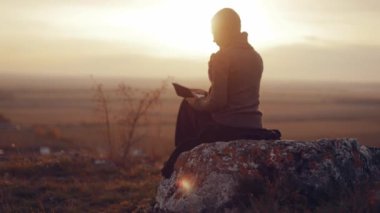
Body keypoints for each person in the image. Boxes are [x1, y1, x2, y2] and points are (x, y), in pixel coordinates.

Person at [161, 8, 281, 178]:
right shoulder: (255, 56)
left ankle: (185, 156)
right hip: (253, 125)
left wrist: (195, 101)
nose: (213, 39)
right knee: (196, 99)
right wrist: (204, 95)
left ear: (225, 31)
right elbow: (235, 94)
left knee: (187, 105)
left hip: (228, 127)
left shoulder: (222, 56)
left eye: (215, 33)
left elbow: (218, 103)